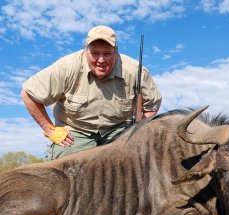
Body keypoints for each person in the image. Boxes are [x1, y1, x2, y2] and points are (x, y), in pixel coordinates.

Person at [21, 25, 162, 160]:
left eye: (107, 53)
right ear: (85, 49)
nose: (101, 60)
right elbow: (28, 94)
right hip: (76, 131)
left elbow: (152, 106)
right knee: (64, 168)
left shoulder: (135, 70)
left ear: (116, 50)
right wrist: (50, 130)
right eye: (95, 53)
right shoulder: (66, 67)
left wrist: (137, 131)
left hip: (118, 130)